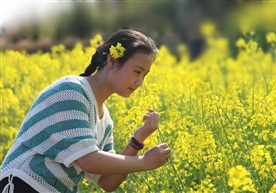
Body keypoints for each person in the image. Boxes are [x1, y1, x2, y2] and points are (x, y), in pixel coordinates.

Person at [0, 28, 171, 193]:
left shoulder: (105, 119)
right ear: (112, 61)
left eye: (144, 75)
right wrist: (144, 162)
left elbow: (107, 181)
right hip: (24, 184)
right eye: (137, 71)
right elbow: (89, 161)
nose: (140, 82)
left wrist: (138, 139)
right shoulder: (71, 91)